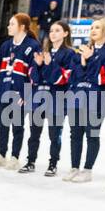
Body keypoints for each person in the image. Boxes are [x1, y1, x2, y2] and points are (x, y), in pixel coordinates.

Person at [65, 16, 105, 183]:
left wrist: (89, 61)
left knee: (92, 134)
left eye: (97, 27)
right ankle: (74, 167)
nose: (93, 31)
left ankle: (88, 170)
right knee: (75, 134)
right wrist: (84, 64)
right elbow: (75, 75)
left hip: (98, 99)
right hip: (78, 97)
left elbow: (104, 77)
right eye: (92, 28)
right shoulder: (83, 49)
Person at [24, 21, 79, 176]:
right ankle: (30, 161)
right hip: (39, 97)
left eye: (57, 30)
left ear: (66, 33)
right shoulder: (43, 51)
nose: (53, 33)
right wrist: (39, 65)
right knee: (34, 133)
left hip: (57, 99)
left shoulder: (70, 54)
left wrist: (49, 65)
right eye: (51, 30)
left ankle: (53, 163)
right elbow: (34, 77)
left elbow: (64, 78)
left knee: (54, 134)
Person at [0, 13, 40, 170]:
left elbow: (34, 72)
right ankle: (1, 154)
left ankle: (15, 156)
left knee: (17, 125)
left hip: (19, 93)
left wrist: (27, 93)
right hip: (4, 90)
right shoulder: (5, 46)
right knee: (2, 123)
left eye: (12, 24)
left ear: (22, 27)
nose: (8, 27)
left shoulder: (33, 46)